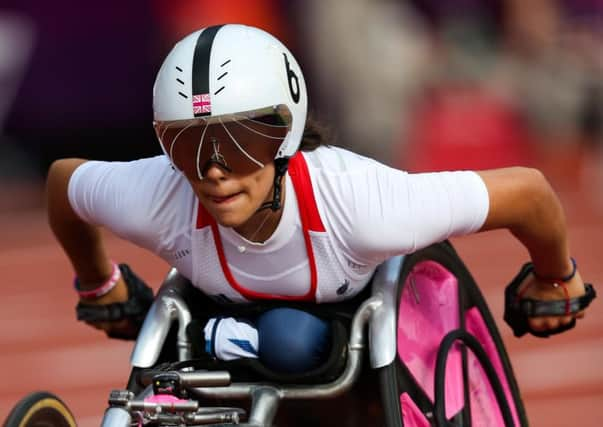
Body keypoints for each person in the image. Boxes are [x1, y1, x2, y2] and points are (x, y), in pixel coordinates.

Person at [47, 24, 594, 373]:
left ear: (285, 137)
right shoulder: (156, 194)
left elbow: (530, 192)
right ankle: (221, 336)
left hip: (344, 322)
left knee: (288, 340)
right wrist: (99, 284)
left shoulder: (367, 207)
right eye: (187, 144)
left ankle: (219, 338)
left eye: (241, 141)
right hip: (226, 312)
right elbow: (62, 183)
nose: (213, 170)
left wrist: (556, 277)